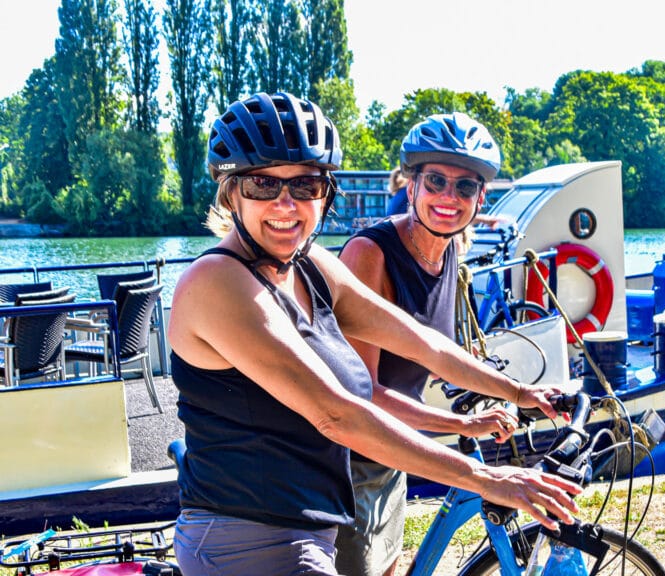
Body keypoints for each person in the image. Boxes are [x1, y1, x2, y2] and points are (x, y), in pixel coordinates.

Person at [169, 92, 580, 576]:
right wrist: (487, 478)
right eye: (262, 184)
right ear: (230, 193)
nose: (286, 203)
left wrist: (521, 393)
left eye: (305, 185)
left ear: (325, 193)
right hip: (249, 543)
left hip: (311, 526)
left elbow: (423, 344)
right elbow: (335, 413)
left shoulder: (310, 266)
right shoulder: (217, 281)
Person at [337, 112, 527, 576]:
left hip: (392, 453)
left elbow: (437, 351)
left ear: (480, 198)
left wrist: (515, 391)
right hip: (347, 464)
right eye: (436, 181)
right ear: (411, 184)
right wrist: (462, 424)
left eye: (465, 188)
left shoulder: (449, 250)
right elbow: (363, 393)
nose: (449, 197)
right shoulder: (370, 255)